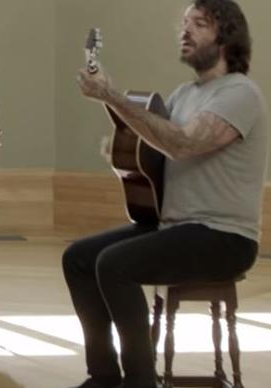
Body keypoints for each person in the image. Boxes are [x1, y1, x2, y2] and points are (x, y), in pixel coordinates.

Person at [66, 1, 267, 387]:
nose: (185, 31)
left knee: (114, 264)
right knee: (78, 259)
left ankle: (139, 381)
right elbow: (157, 148)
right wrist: (122, 146)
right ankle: (104, 376)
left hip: (224, 236)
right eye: (184, 23)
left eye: (199, 24)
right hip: (177, 227)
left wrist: (112, 96)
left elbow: (183, 144)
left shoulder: (240, 93)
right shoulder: (183, 94)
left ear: (226, 36)